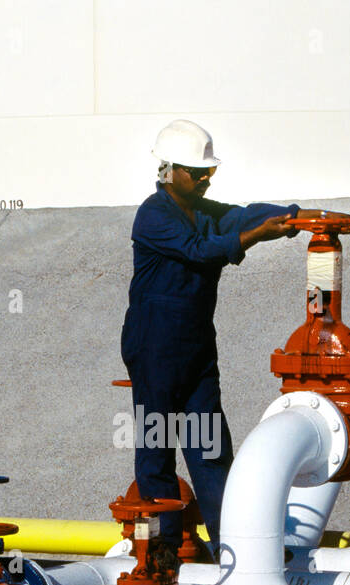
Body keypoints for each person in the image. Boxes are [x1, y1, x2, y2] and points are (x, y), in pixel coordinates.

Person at [122, 119, 337, 561]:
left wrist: (296, 216)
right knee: (157, 445)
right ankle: (161, 548)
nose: (206, 178)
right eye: (197, 172)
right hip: (155, 345)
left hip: (196, 347)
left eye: (208, 171)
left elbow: (241, 213)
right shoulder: (154, 215)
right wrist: (256, 236)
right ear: (169, 171)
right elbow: (201, 251)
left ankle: (231, 546)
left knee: (209, 448)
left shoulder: (203, 211)